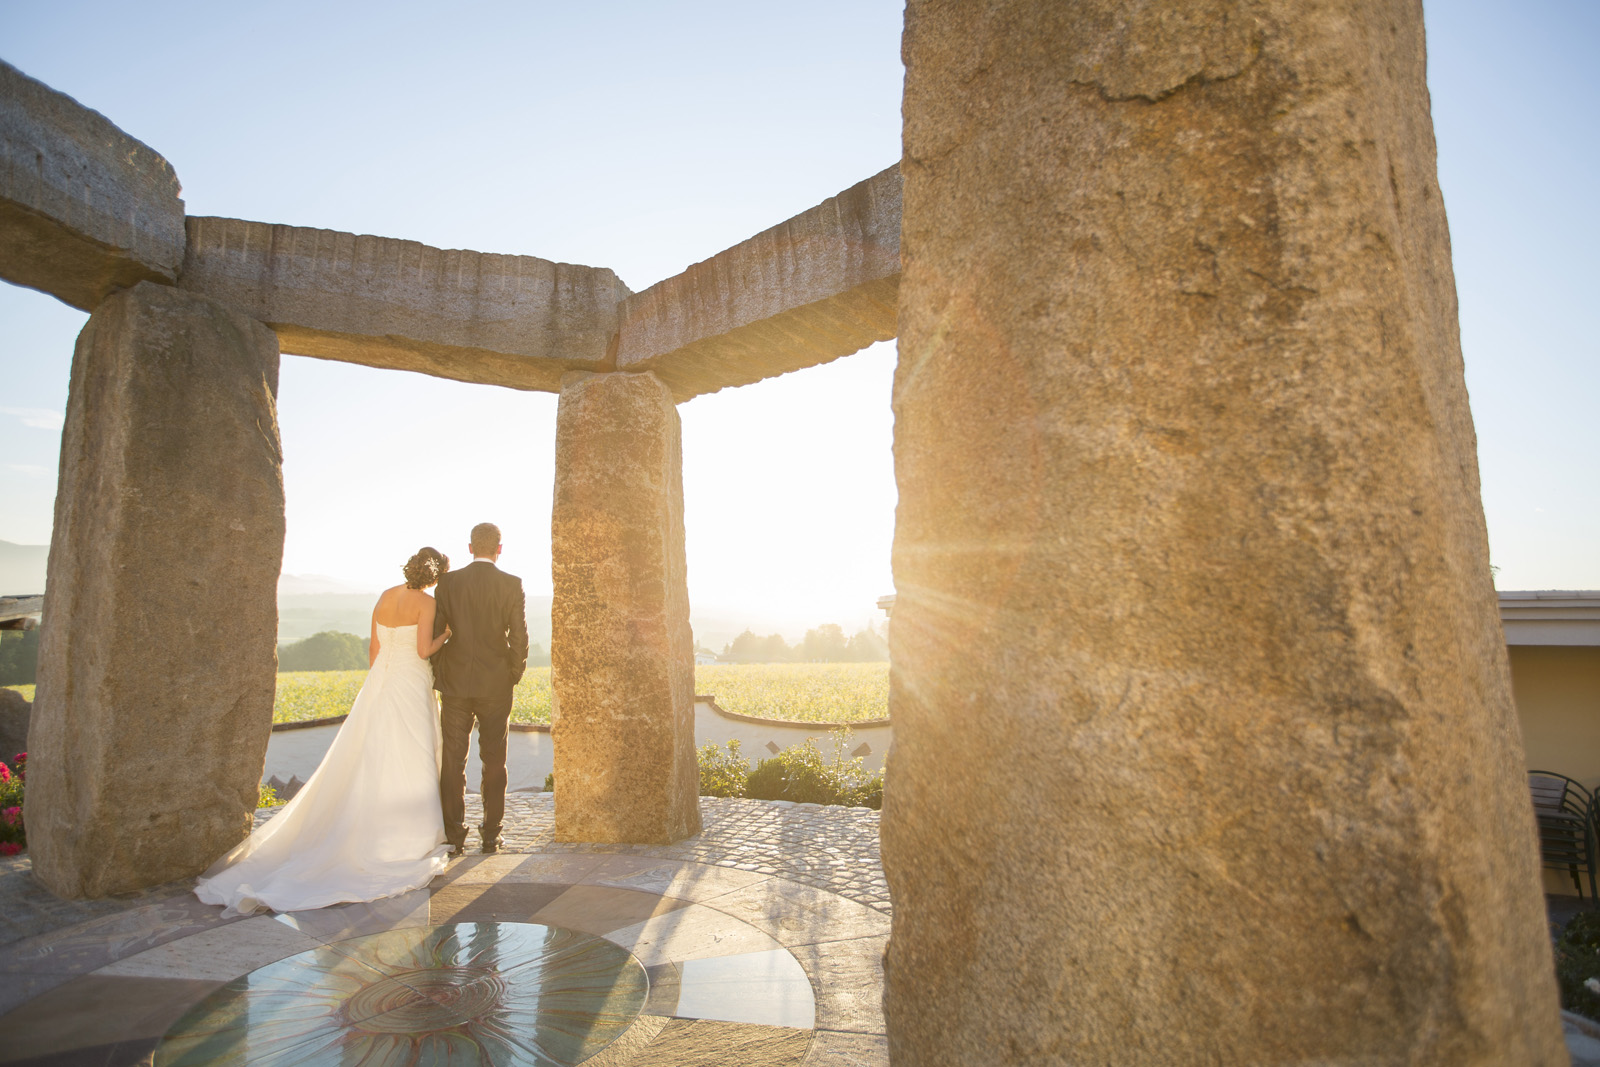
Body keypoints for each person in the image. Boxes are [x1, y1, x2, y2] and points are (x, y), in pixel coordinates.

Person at [195, 548, 454, 917]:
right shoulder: (425, 604)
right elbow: (422, 649)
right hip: (409, 682)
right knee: (412, 753)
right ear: (436, 575)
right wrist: (445, 635)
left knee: (370, 752)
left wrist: (380, 680)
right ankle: (409, 836)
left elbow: (374, 648)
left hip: (380, 681)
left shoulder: (385, 596)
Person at [432, 522, 529, 855]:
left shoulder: (448, 582)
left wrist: (442, 670)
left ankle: (454, 836)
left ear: (470, 547)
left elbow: (436, 632)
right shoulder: (511, 584)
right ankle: (491, 835)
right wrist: (513, 673)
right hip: (496, 683)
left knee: (453, 761)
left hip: (456, 684)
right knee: (494, 760)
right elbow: (518, 636)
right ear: (499, 549)